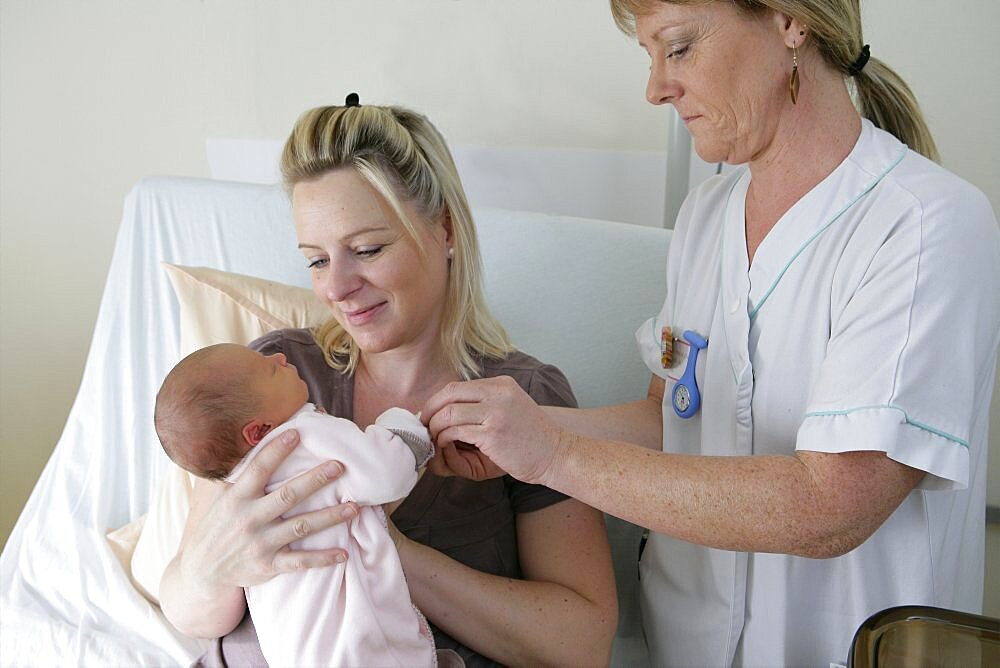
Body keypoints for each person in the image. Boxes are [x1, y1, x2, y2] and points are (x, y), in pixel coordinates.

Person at [423, 1, 1000, 666]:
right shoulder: (707, 215)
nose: (655, 88)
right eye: (649, 57)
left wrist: (552, 455)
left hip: (836, 648)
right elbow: (668, 417)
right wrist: (509, 432)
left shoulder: (925, 224)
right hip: (685, 643)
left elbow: (832, 506)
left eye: (678, 48)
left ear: (790, 22)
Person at [158, 98, 619, 668]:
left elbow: (582, 645)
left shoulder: (523, 400)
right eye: (317, 260)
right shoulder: (272, 374)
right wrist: (213, 565)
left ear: (444, 229)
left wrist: (381, 549)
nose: (338, 288)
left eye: (368, 250)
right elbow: (189, 610)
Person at [154, 342, 445, 668]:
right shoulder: (302, 434)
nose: (280, 357)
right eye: (270, 369)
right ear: (258, 430)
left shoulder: (238, 478)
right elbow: (387, 472)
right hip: (350, 647)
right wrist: (405, 426)